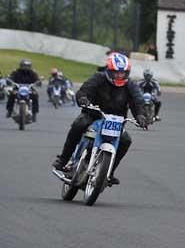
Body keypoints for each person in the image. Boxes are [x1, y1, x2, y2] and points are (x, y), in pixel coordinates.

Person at [52, 53, 147, 186]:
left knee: (126, 140)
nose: (120, 76)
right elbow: (84, 90)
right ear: (109, 70)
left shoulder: (130, 85)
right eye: (116, 73)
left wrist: (141, 116)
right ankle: (63, 159)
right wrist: (83, 98)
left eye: (123, 73)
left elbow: (138, 102)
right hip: (93, 115)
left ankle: (109, 172)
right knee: (79, 124)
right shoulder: (99, 78)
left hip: (116, 121)